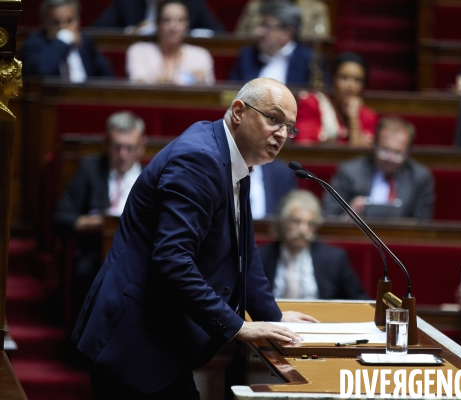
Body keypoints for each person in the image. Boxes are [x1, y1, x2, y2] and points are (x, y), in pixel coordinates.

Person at [71, 78, 317, 398]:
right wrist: (237, 325)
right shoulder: (199, 160)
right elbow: (172, 261)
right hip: (132, 339)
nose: (282, 134)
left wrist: (273, 315)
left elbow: (244, 251)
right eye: (273, 119)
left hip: (156, 338)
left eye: (289, 127)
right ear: (239, 112)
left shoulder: (237, 159)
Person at [52, 112, 147, 320]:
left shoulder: (151, 175)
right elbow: (61, 217)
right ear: (106, 143)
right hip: (95, 257)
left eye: (129, 148)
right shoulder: (90, 169)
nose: (122, 155)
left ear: (141, 146)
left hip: (140, 259)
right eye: (116, 147)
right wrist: (97, 223)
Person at [259, 190, 369, 300]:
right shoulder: (261, 257)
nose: (303, 230)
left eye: (310, 224)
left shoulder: (334, 259)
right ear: (283, 222)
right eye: (296, 222)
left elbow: (360, 300)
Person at [322, 117, 435, 218]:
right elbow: (329, 216)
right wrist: (348, 215)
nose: (390, 158)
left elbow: (423, 224)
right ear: (374, 146)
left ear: (408, 153)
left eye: (398, 153)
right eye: (384, 150)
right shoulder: (350, 172)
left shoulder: (419, 177)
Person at [294, 52, 378, 146]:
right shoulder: (312, 104)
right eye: (344, 78)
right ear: (333, 79)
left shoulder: (367, 115)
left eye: (357, 80)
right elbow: (303, 145)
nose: (350, 85)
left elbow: (360, 156)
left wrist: (353, 119)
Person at [20, 0, 113, 81]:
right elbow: (39, 72)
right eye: (56, 22)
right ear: (45, 23)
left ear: (78, 21)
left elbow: (108, 75)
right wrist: (63, 41)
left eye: (69, 21)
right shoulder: (34, 44)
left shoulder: (85, 42)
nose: (63, 28)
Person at [126, 0, 215, 85]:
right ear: (158, 24)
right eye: (167, 20)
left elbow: (211, 94)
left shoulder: (200, 55)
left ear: (187, 24)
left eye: (180, 20)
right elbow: (137, 86)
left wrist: (201, 81)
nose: (173, 27)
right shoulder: (139, 51)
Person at [229, 2, 315, 86]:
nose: (258, 32)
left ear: (287, 33)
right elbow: (231, 94)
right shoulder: (248, 56)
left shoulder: (309, 60)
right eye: (260, 25)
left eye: (267, 26)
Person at [92, 0, 223, 34]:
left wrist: (183, 31)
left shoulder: (192, 3)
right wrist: (131, 31)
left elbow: (219, 33)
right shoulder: (127, 3)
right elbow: (97, 31)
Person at [236, 0, 330, 40]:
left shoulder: (316, 9)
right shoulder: (254, 7)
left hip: (297, 62)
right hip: (257, 59)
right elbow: (238, 41)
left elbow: (320, 44)